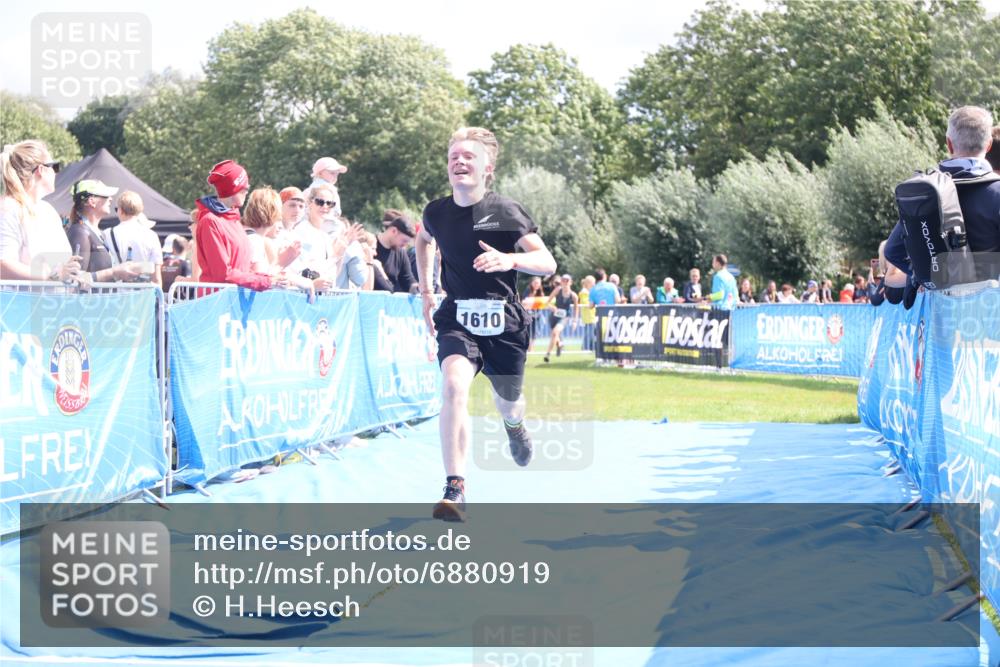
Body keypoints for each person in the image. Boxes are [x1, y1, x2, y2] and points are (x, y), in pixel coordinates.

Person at [415, 126, 556, 521]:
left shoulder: (506, 212)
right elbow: (422, 239)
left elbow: (547, 262)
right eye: (453, 157)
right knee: (453, 385)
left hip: (504, 320)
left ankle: (515, 426)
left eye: (469, 157)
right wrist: (427, 292)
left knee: (508, 401)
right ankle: (455, 488)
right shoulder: (436, 212)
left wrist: (511, 260)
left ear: (487, 168)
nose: (459, 162)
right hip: (457, 315)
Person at [885, 106, 1000, 282]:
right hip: (989, 305)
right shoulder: (997, 191)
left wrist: (931, 278)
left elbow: (893, 251)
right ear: (989, 144)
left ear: (949, 143)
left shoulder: (927, 191)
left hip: (944, 305)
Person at [1, 140, 81, 282]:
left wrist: (79, 278)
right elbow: (3, 265)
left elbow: (62, 267)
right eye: (55, 166)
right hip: (17, 303)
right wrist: (52, 276)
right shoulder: (8, 208)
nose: (57, 172)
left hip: (53, 302)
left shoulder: (48, 210)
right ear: (41, 170)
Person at [195, 160, 279, 290]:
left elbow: (243, 268)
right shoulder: (210, 221)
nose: (247, 190)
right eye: (244, 187)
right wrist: (265, 282)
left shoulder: (234, 220)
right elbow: (223, 274)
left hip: (233, 300)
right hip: (217, 302)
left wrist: (269, 279)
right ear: (233, 188)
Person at [104, 190, 163, 286]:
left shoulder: (107, 234)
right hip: (144, 294)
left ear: (121, 210)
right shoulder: (151, 235)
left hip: (116, 291)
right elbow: (156, 277)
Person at [66, 179, 116, 278]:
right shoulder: (80, 232)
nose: (111, 199)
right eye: (106, 195)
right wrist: (116, 272)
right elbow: (77, 280)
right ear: (91, 201)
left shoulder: (96, 232)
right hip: (89, 294)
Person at [375, 210, 417, 292]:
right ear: (394, 231)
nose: (405, 245)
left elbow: (407, 279)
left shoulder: (401, 253)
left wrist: (418, 288)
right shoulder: (371, 246)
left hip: (390, 302)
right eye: (404, 241)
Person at [543, 274, 579, 363]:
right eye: (563, 280)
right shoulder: (558, 290)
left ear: (571, 282)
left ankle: (547, 355)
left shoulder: (573, 295)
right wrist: (553, 308)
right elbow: (547, 303)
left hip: (565, 317)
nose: (565, 282)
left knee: (555, 333)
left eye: (567, 281)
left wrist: (575, 321)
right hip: (553, 316)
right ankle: (559, 344)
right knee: (555, 335)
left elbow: (576, 308)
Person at [578, 275, 596, 351]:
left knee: (590, 334)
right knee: (589, 335)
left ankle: (589, 348)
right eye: (593, 283)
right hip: (589, 317)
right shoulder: (584, 292)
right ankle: (585, 348)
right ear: (588, 283)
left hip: (590, 317)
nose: (594, 285)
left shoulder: (587, 292)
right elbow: (586, 303)